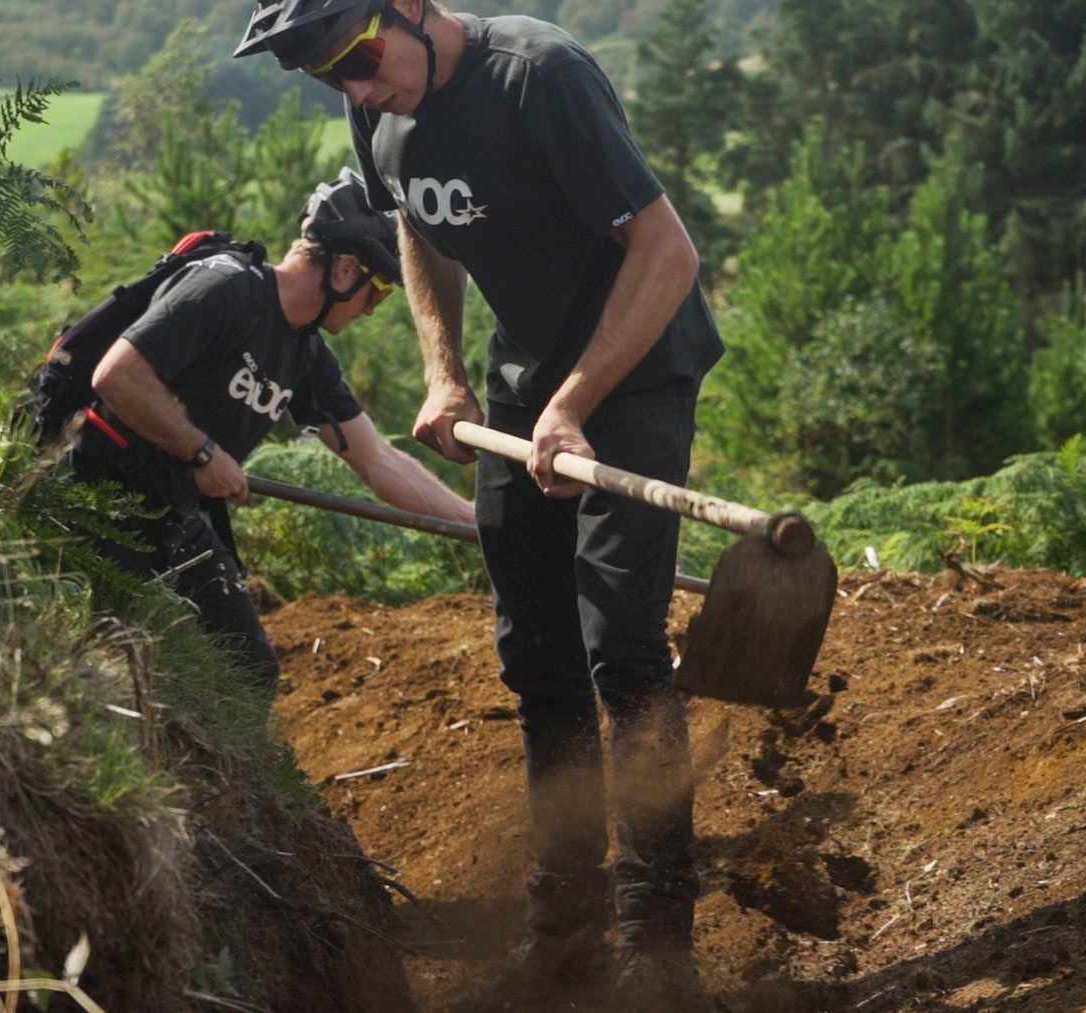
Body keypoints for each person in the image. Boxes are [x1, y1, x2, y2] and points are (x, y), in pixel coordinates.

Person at [237, 3, 725, 1005]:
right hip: (519, 386)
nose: (360, 91)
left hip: (630, 379)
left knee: (622, 653)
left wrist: (576, 406)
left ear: (410, 5)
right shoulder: (377, 107)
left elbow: (669, 254)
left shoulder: (537, 76)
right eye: (334, 80)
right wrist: (444, 373)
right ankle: (565, 930)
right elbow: (417, 223)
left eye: (363, 60)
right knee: (535, 654)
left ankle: (656, 948)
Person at [67, 168, 474, 700]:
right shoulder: (225, 288)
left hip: (172, 508)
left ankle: (217, 781)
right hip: (98, 493)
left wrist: (481, 525)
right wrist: (202, 451)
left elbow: (379, 463)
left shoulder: (305, 355)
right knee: (125, 658)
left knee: (246, 668)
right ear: (347, 269)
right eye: (376, 295)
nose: (372, 311)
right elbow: (116, 376)